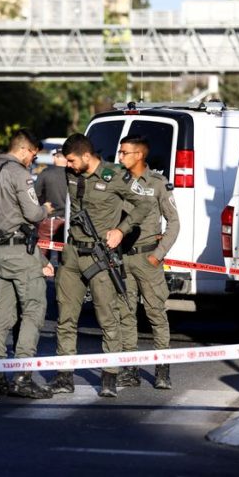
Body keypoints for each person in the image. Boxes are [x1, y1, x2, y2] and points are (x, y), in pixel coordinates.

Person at [47, 133, 153, 398]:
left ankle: (110, 376)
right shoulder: (71, 174)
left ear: (86, 156)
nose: (67, 165)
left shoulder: (115, 175)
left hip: (100, 255)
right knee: (66, 317)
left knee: (108, 318)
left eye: (71, 160)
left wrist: (121, 229)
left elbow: (145, 204)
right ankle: (64, 376)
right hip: (72, 253)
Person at [0, 129, 55, 399]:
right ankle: (22, 376)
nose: (33, 159)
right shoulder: (20, 174)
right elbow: (33, 213)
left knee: (1, 314)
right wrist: (46, 210)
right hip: (21, 251)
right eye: (33, 154)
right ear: (24, 149)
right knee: (33, 310)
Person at [117, 135, 180, 390]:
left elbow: (174, 222)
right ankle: (130, 369)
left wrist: (159, 253)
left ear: (139, 155)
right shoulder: (117, 181)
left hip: (148, 257)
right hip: (123, 257)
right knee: (125, 314)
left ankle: (162, 371)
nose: (120, 157)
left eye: (124, 153)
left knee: (156, 314)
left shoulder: (157, 183)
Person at [34, 148, 68, 260]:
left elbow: (36, 196)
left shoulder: (46, 174)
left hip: (49, 220)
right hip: (68, 222)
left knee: (42, 256)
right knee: (65, 258)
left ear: (55, 157)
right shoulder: (74, 175)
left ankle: (42, 275)